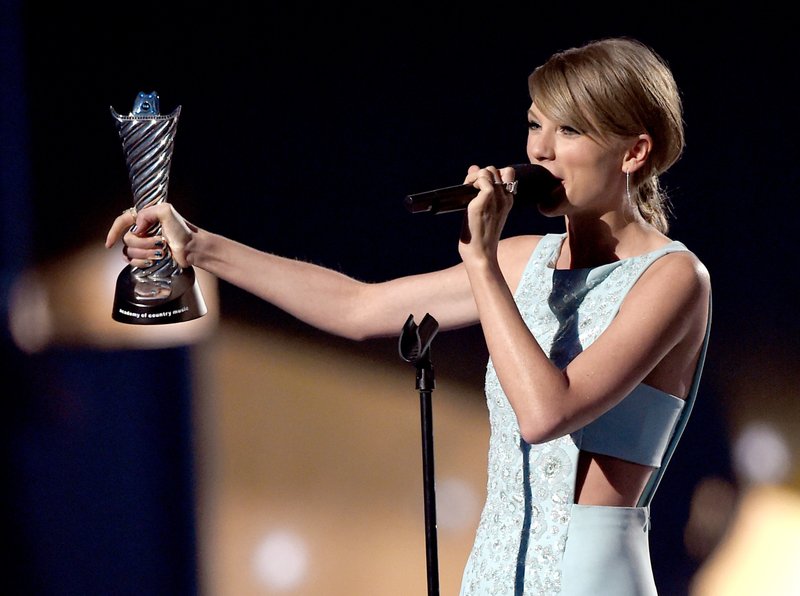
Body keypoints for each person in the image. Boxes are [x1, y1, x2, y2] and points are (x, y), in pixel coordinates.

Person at [106, 37, 711, 595]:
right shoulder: (522, 260)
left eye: (569, 130)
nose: (538, 150)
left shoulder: (674, 280)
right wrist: (202, 247)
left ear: (633, 151)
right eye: (534, 124)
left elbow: (547, 412)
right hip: (495, 570)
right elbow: (357, 306)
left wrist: (481, 265)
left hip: (591, 577)